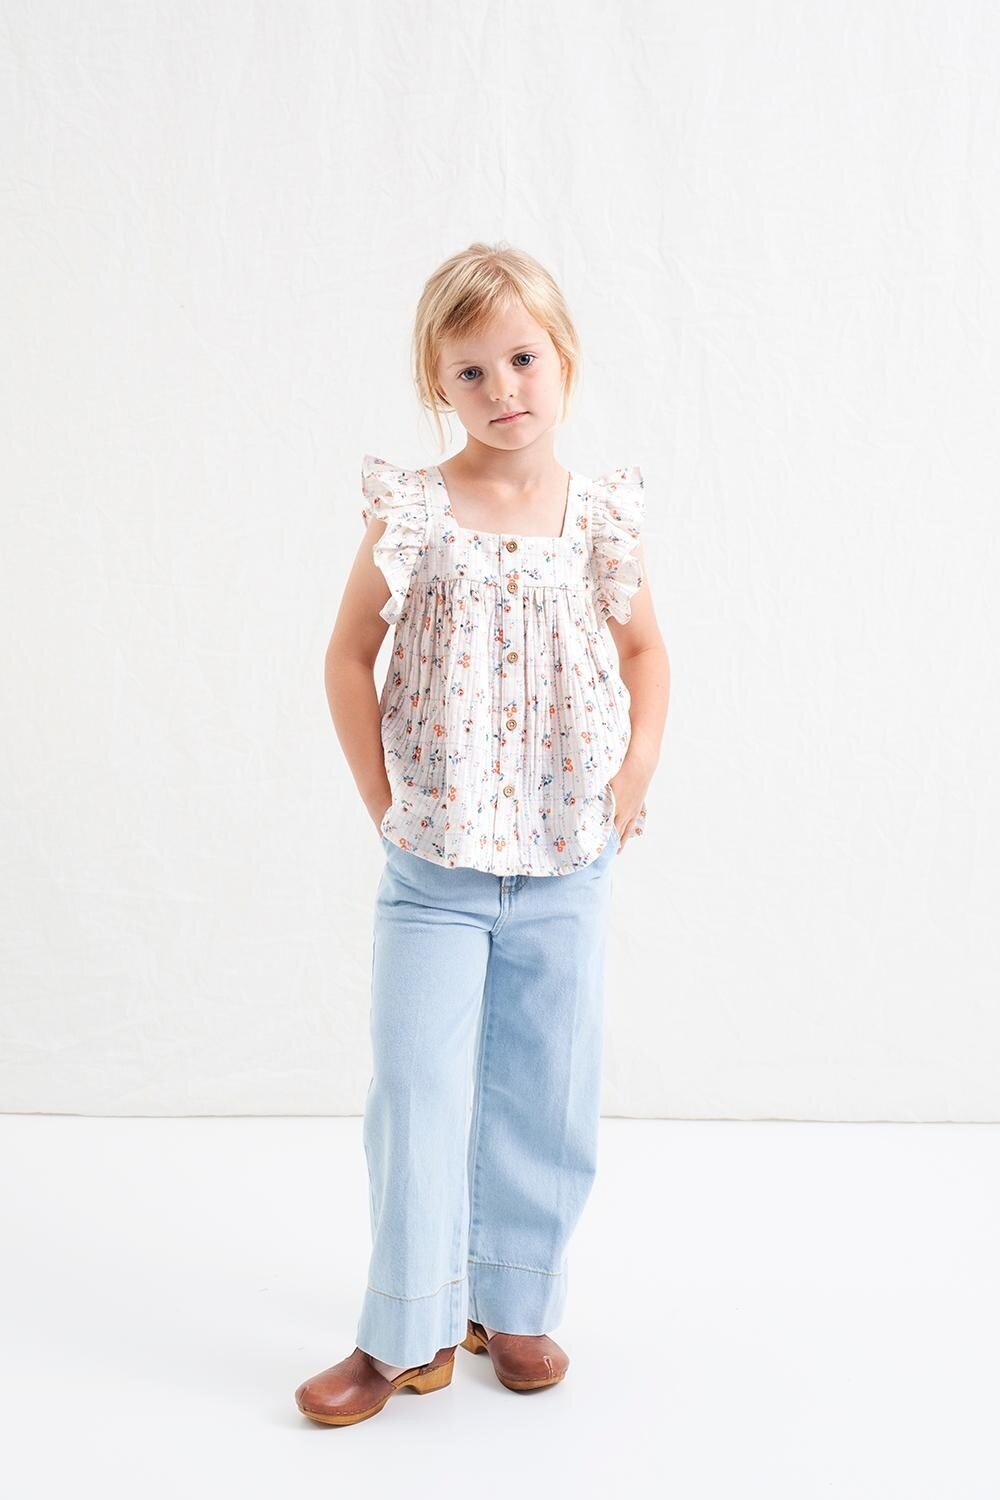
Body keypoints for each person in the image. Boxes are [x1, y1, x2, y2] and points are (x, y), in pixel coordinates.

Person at [296, 242, 670, 1426]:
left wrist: (633, 772)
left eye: (521, 359)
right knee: (416, 1085)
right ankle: (403, 1328)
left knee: (545, 1086)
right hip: (435, 866)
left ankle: (512, 1303)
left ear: (563, 360)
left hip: (566, 859)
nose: (501, 388)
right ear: (437, 385)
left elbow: (645, 651)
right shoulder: (415, 513)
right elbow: (348, 654)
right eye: (470, 371)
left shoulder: (597, 518)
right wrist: (383, 799)